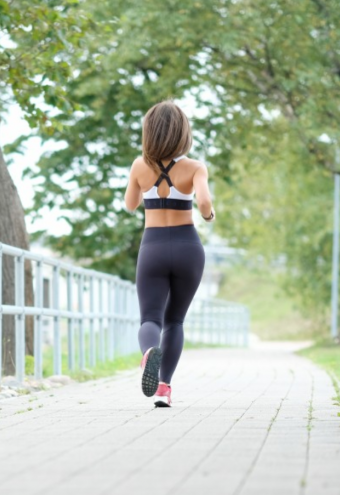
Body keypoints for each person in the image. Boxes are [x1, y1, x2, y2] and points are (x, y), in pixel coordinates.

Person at [123, 101, 215, 407]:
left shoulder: (139, 166)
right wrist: (209, 214)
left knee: (150, 317)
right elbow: (203, 202)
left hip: (153, 246)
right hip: (188, 246)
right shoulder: (195, 167)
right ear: (182, 133)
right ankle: (163, 388)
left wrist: (143, 185)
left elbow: (130, 204)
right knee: (174, 321)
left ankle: (149, 351)